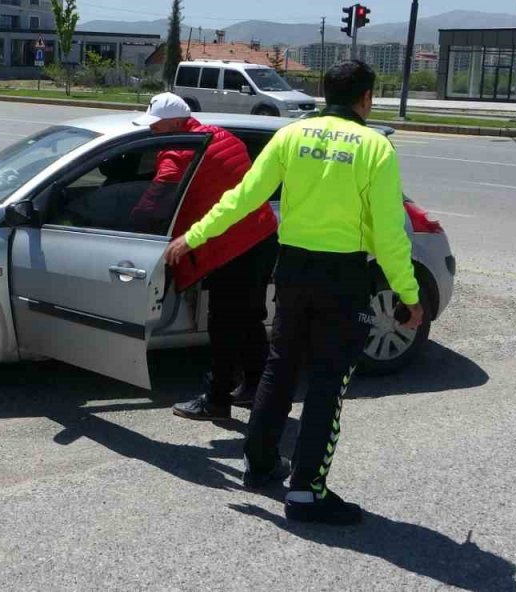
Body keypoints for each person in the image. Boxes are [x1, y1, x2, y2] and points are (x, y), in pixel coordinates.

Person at [165, 61, 421, 525]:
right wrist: (409, 294)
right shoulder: (375, 148)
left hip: (293, 271)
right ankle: (306, 494)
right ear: (367, 98)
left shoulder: (291, 135)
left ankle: (259, 465)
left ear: (325, 92)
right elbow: (389, 234)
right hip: (343, 278)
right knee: (326, 382)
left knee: (279, 370)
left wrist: (193, 237)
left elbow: (243, 197)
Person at [128, 92, 279, 421]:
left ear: (176, 123)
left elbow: (159, 195)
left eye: (157, 126)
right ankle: (255, 385)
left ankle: (217, 398)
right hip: (263, 236)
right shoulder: (224, 136)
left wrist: (133, 222)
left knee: (223, 323)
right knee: (249, 316)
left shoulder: (178, 151)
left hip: (230, 247)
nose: (153, 132)